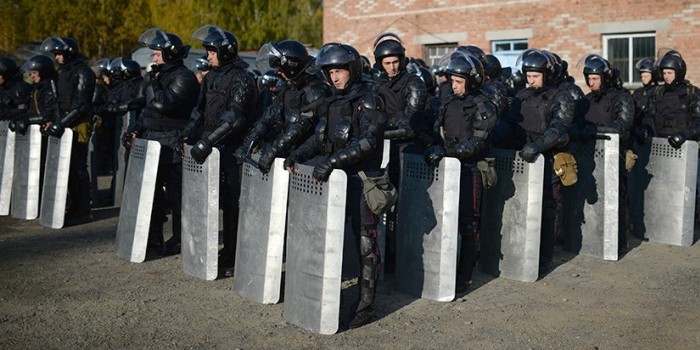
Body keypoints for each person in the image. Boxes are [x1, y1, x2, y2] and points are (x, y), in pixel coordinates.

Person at [283, 43, 386, 328]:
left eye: (339, 70)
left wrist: (333, 161)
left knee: (366, 242)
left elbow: (368, 141)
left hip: (362, 182)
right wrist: (297, 155)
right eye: (330, 72)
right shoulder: (329, 100)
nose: (335, 77)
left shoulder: (369, 99)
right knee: (322, 238)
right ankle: (323, 295)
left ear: (351, 70)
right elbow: (319, 138)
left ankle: (367, 303)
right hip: (335, 182)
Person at [423, 51, 498, 292]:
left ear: (471, 80)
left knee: (468, 223)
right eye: (452, 81)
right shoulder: (447, 103)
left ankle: (465, 274)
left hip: (471, 170)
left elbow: (476, 142)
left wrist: (448, 153)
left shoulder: (484, 105)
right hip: (448, 168)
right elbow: (437, 132)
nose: (453, 86)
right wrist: (434, 146)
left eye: (458, 82)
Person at [188, 25, 258, 276]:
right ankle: (223, 250)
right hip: (211, 149)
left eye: (212, 51)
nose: (208, 55)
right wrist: (188, 134)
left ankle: (235, 253)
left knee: (233, 205)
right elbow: (199, 111)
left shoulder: (243, 78)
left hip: (232, 150)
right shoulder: (209, 77)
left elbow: (234, 119)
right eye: (207, 50)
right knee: (211, 202)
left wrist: (208, 142)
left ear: (225, 52)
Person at [122, 29, 199, 255]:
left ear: (170, 54)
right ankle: (154, 237)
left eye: (157, 54)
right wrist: (134, 130)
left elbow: (164, 104)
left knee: (177, 196)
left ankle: (180, 239)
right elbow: (148, 110)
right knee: (152, 193)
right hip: (152, 141)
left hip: (174, 142)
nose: (154, 59)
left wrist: (152, 82)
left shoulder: (184, 77)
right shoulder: (158, 76)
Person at [509, 49, 574, 274]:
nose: (530, 80)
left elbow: (559, 127)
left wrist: (538, 146)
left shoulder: (561, 97)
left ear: (547, 74)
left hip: (547, 159)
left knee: (547, 209)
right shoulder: (522, 96)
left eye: (535, 76)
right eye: (528, 75)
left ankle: (544, 257)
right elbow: (509, 124)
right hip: (523, 158)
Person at [373, 32, 428, 273]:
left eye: (396, 61)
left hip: (407, 150)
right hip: (382, 151)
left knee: (406, 206)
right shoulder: (376, 84)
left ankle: (406, 259)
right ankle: (386, 257)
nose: (392, 67)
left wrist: (380, 133)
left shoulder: (414, 83)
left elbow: (410, 122)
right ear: (380, 64)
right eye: (387, 63)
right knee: (382, 203)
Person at [575, 54, 634, 253]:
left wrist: (595, 131)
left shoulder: (622, 97)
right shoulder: (587, 99)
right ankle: (592, 240)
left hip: (613, 155)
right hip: (588, 155)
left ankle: (618, 243)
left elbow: (623, 125)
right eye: (589, 79)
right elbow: (577, 123)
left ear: (605, 78)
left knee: (616, 198)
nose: (591, 83)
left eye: (595, 79)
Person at [241, 39, 328, 174]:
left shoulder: (314, 91)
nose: (278, 73)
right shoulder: (289, 87)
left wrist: (273, 151)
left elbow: (300, 126)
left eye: (281, 69)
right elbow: (269, 115)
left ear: (291, 68)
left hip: (307, 161)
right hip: (288, 155)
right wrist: (250, 141)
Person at [40, 36, 96, 226]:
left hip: (78, 124)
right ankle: (74, 205)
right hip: (64, 122)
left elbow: (81, 105)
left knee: (78, 166)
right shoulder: (63, 72)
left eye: (59, 54)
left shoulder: (83, 71)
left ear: (69, 52)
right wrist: (53, 121)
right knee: (67, 167)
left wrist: (62, 123)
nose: (56, 57)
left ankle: (83, 210)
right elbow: (59, 101)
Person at [642, 51, 700, 147]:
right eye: (664, 73)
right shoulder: (657, 92)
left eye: (670, 73)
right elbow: (648, 117)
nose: (666, 76)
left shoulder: (692, 93)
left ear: (679, 72)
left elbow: (698, 123)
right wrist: (645, 131)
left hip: (684, 145)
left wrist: (683, 136)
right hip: (658, 145)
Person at [0, 56, 32, 122]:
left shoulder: (21, 88)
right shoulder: (3, 88)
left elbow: (25, 110)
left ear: (6, 75)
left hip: (16, 128)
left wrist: (4, 112)